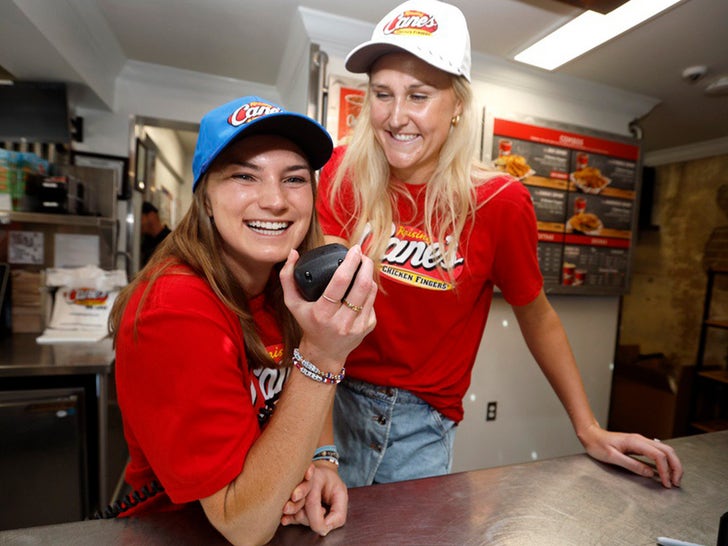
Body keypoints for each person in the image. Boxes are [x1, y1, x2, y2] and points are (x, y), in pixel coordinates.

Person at [316, 0, 682, 489]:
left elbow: (537, 314)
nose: (396, 116)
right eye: (383, 94)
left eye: (419, 95)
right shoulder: (342, 172)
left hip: (417, 423)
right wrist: (319, 446)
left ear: (458, 105)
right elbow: (317, 315)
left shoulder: (499, 201)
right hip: (326, 395)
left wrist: (587, 426)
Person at [109, 96, 377, 545]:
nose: (274, 200)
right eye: (243, 176)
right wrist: (324, 356)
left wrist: (323, 460)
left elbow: (298, 391)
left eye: (293, 179)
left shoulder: (282, 279)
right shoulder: (175, 310)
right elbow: (243, 524)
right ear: (206, 198)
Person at [140, 201, 172, 266]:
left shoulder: (169, 240)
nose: (139, 223)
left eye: (141, 218)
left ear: (151, 216)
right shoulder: (145, 242)